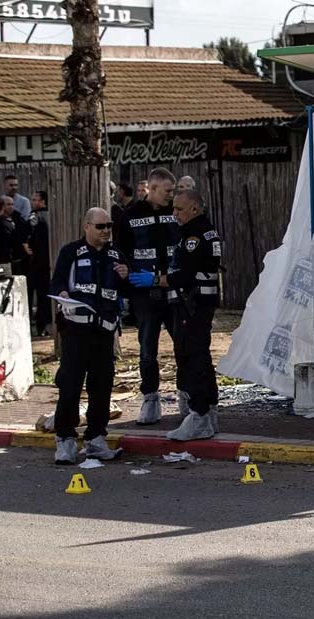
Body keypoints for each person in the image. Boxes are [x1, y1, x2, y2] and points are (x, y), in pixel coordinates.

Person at [130, 189, 222, 440]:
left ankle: (199, 416)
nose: (175, 214)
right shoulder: (203, 230)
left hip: (191, 305)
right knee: (200, 358)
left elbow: (186, 274)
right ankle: (208, 414)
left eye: (179, 209)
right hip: (197, 305)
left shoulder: (194, 235)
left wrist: (156, 279)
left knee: (190, 358)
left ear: (194, 208)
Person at [50, 207, 128, 464]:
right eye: (100, 226)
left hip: (104, 331)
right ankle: (65, 439)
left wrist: (125, 276)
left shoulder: (116, 254)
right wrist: (62, 293)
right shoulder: (71, 252)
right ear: (86, 227)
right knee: (71, 384)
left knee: (102, 386)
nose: (106, 231)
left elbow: (125, 290)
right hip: (76, 329)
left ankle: (96, 438)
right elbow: (57, 281)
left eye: (109, 226)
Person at [117, 167, 179, 425]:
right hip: (145, 294)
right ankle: (150, 399)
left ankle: (187, 397)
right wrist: (126, 289)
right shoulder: (130, 216)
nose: (171, 196)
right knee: (147, 350)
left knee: (184, 346)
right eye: (167, 191)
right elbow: (121, 252)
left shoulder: (176, 211)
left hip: (175, 291)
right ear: (152, 189)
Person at [28, 190, 51, 336]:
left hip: (37, 262)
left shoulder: (35, 217)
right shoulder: (52, 215)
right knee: (46, 296)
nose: (33, 202)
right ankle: (45, 325)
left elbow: (29, 237)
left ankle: (40, 326)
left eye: (36, 200)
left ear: (43, 201)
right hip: (50, 261)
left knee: (38, 296)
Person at [0, 196, 15, 264]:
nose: (11, 207)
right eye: (8, 204)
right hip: (4, 260)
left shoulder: (13, 220)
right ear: (3, 207)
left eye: (12, 204)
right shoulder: (6, 224)